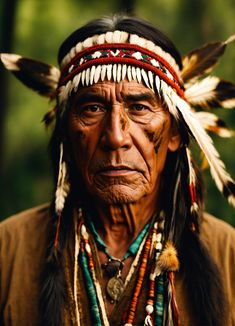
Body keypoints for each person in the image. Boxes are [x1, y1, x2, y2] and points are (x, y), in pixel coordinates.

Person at [1, 15, 235, 326]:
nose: (116, 137)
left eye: (139, 108)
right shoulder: (9, 248)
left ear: (175, 133)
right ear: (67, 135)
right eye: (92, 108)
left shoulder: (227, 252)